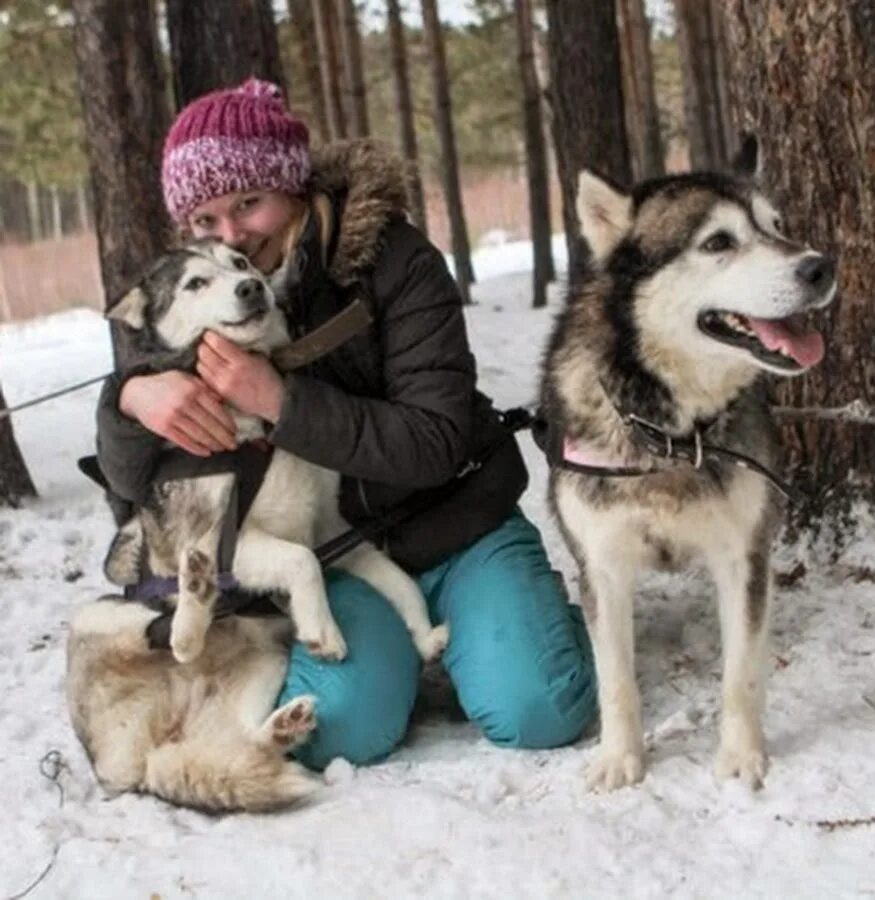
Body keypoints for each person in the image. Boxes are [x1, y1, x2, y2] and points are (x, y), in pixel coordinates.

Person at [95, 78, 595, 771]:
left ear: (293, 186)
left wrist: (279, 401)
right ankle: (416, 658)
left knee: (540, 707)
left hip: (455, 525)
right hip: (341, 558)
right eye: (207, 221)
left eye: (249, 203)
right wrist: (130, 401)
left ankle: (527, 624)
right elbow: (142, 502)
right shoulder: (206, 311)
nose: (233, 234)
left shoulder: (395, 263)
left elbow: (435, 440)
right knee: (340, 734)